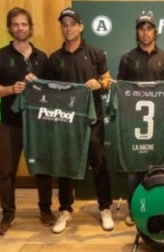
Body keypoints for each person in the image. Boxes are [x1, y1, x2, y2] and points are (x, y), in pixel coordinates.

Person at [38, 7, 114, 234]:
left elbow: (108, 80)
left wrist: (99, 84)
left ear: (81, 27)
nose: (68, 28)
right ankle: (65, 210)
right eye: (64, 24)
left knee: (99, 164)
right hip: (65, 121)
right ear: (61, 28)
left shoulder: (95, 53)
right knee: (65, 165)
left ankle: (105, 208)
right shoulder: (54, 58)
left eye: (73, 24)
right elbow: (49, 90)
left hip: (92, 120)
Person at [0, 7, 55, 236]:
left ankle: (45, 211)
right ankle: (8, 214)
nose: (20, 28)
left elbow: (52, 91)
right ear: (10, 28)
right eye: (15, 24)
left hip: (38, 125)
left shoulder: (42, 57)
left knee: (43, 170)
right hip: (9, 125)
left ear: (30, 27)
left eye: (24, 24)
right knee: (6, 171)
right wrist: (10, 89)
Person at [116, 13, 164, 226]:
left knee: (157, 165)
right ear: (137, 32)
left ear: (155, 31)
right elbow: (120, 91)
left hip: (158, 122)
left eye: (149, 28)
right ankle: (133, 208)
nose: (145, 32)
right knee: (134, 168)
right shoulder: (127, 58)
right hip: (134, 122)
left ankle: (155, 206)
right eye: (141, 28)